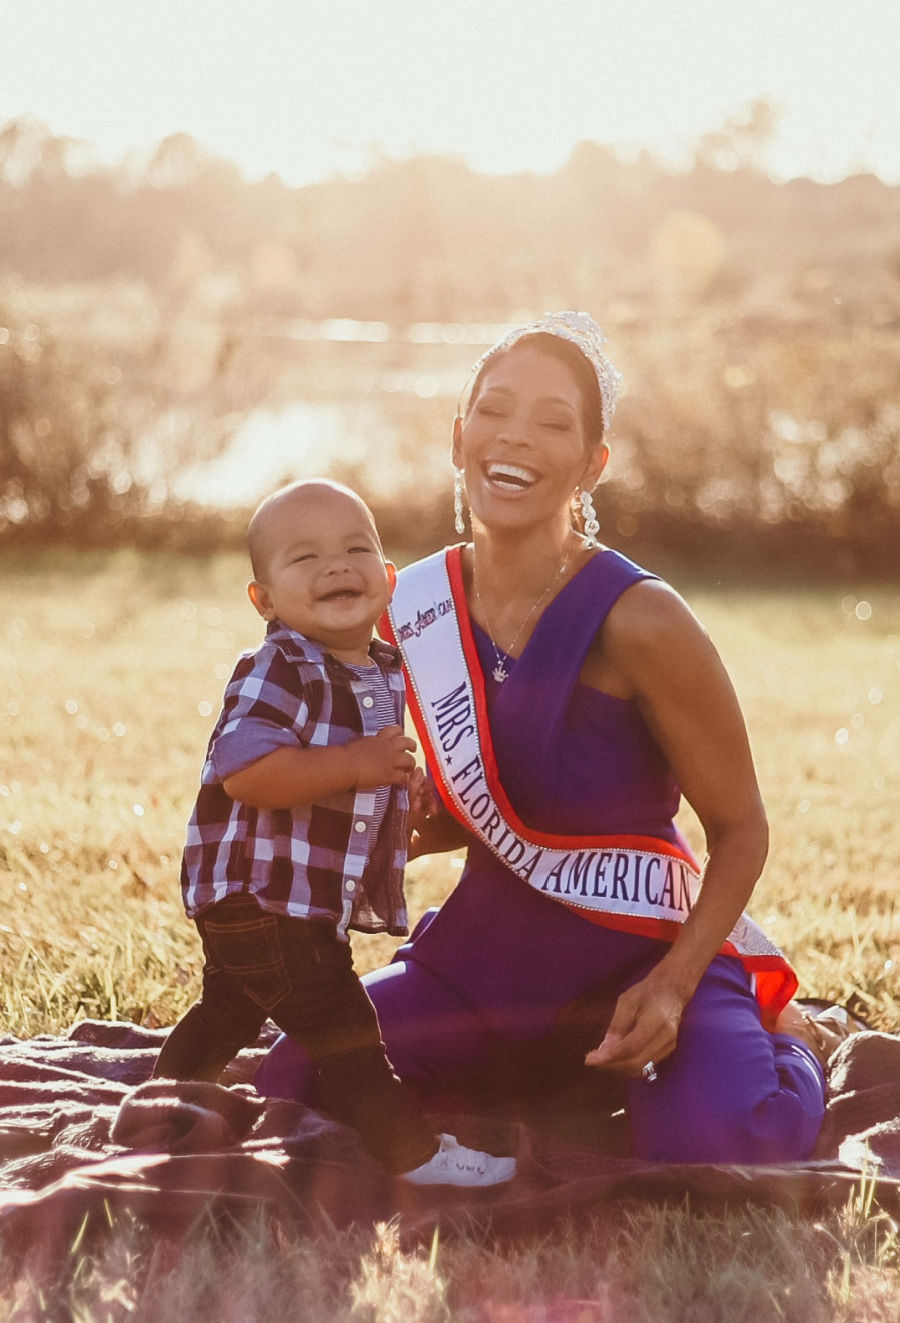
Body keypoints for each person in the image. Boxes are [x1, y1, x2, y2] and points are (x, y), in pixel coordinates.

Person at [256, 317, 854, 1164]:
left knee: (722, 1138)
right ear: (459, 438)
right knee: (303, 1074)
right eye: (495, 412)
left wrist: (674, 985)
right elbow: (486, 807)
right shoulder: (415, 606)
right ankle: (551, 1081)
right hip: (487, 958)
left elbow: (742, 827)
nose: (516, 438)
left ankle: (791, 1038)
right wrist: (396, 823)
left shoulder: (643, 618)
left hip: (642, 954)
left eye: (553, 422)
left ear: (591, 462)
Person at [154, 478, 516, 1187]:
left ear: (386, 579)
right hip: (264, 896)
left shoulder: (381, 672)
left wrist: (395, 795)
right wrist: (355, 764)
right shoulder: (280, 665)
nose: (336, 566)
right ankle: (410, 1153)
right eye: (306, 556)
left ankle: (163, 1107)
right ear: (264, 599)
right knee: (346, 1028)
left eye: (356, 549)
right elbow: (247, 772)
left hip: (282, 900)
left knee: (227, 1011)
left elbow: (354, 791)